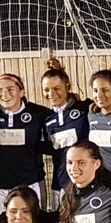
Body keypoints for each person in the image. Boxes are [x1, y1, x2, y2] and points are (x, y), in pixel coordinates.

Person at [0, 73, 50, 205]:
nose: (4, 94)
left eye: (10, 89)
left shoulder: (39, 113)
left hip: (31, 184)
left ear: (22, 92)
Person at [42, 58, 92, 206]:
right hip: (60, 183)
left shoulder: (84, 108)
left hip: (86, 181)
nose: (51, 94)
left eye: (57, 89)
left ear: (67, 86)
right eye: (46, 90)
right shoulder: (46, 118)